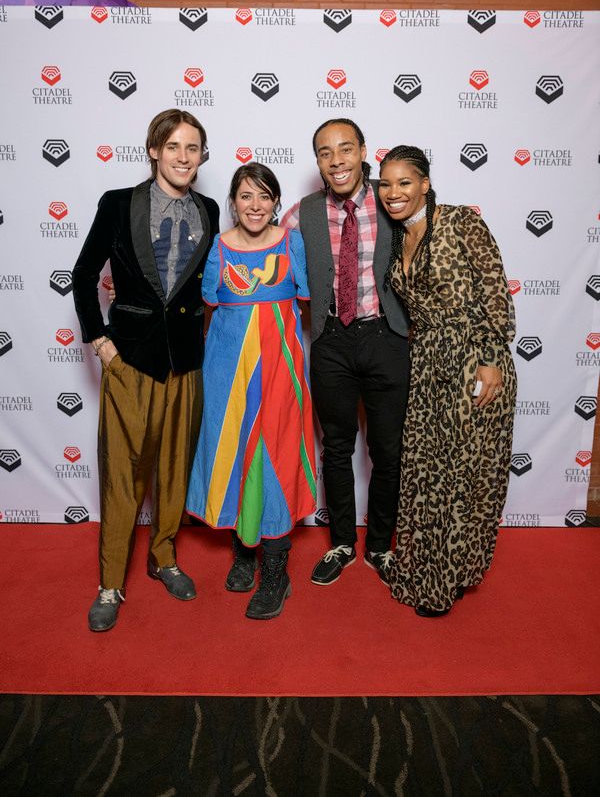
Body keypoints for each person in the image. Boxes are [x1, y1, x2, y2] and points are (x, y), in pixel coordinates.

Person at [72, 109, 219, 632]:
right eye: (174, 146)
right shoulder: (118, 204)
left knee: (174, 467)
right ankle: (111, 581)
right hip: (130, 359)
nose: (184, 157)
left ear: (203, 156)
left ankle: (164, 557)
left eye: (193, 148)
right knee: (123, 474)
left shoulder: (209, 208)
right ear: (154, 150)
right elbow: (84, 274)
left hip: (185, 362)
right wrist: (100, 341)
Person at [377, 145, 517, 616]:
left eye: (404, 183)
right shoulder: (399, 236)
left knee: (461, 476)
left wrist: (492, 358)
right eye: (386, 184)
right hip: (429, 361)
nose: (393, 193)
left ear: (425, 184)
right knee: (424, 472)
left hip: (472, 361)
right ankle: (422, 566)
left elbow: (494, 291)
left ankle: (447, 579)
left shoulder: (460, 223)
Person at [282, 119, 410, 586]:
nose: (336, 160)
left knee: (388, 450)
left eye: (345, 149)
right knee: (335, 448)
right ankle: (341, 543)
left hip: (387, 338)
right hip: (331, 339)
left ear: (363, 152)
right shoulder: (301, 213)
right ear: (317, 161)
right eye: (325, 152)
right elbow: (269, 260)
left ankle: (379, 546)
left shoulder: (393, 199)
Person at [186, 162, 316, 620]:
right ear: (233, 202)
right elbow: (210, 306)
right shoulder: (219, 247)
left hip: (280, 367)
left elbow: (302, 300)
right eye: (245, 196)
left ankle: (276, 572)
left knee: (274, 454)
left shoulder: (290, 241)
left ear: (276, 202)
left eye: (264, 196)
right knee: (237, 453)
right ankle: (244, 551)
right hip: (227, 369)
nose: (255, 205)